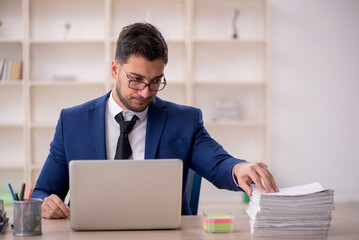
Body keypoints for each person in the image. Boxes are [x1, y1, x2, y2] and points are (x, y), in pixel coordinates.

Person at [32, 22, 278, 219]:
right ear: (115, 70)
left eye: (156, 81)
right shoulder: (72, 122)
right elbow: (43, 191)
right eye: (136, 80)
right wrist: (45, 204)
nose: (145, 92)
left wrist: (239, 168)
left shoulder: (184, 121)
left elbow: (218, 164)